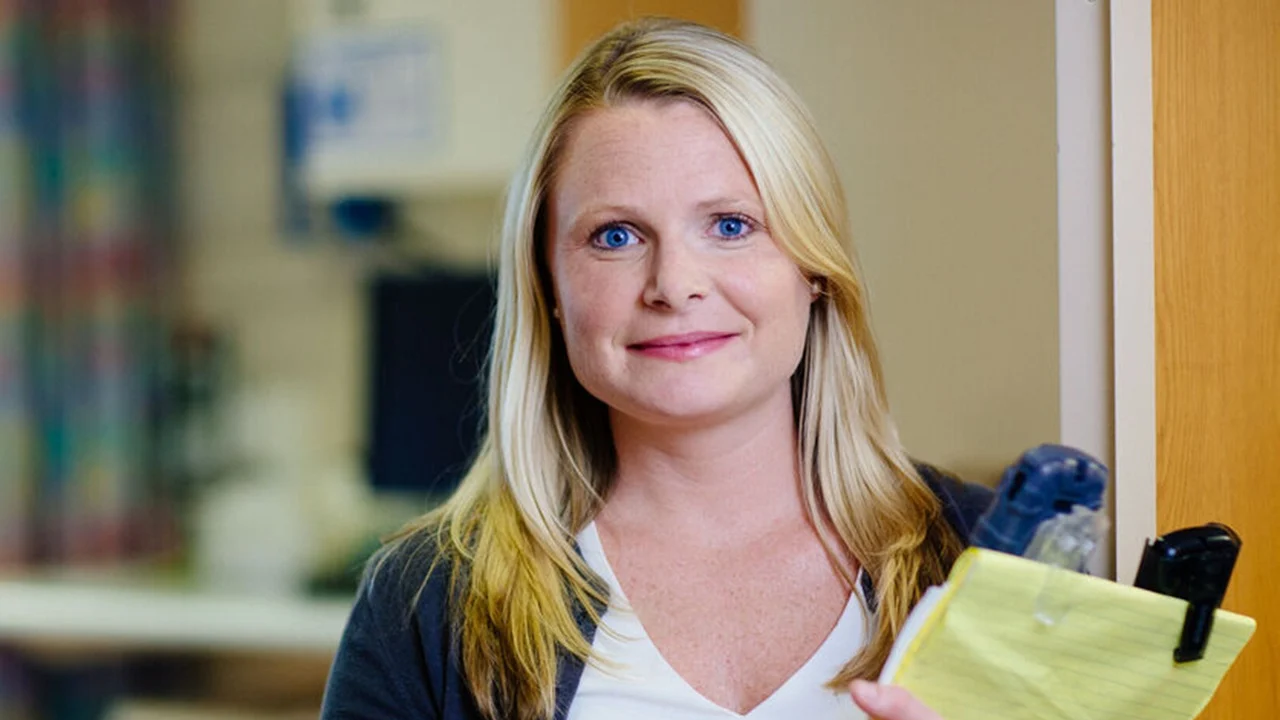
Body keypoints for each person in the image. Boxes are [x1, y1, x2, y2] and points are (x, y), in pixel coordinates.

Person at [321, 18, 992, 720]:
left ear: (814, 265)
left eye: (731, 225)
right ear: (548, 286)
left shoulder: (989, 558)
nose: (674, 284)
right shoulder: (420, 607)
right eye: (616, 236)